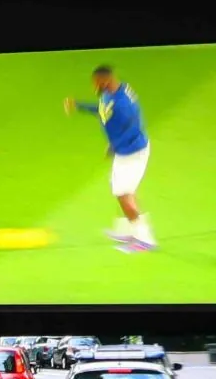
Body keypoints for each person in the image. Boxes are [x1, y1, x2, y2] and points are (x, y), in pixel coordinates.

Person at [65, 64, 155, 250]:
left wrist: (114, 145)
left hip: (133, 152)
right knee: (122, 189)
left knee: (123, 193)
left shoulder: (123, 104)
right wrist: (78, 105)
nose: (94, 87)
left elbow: (132, 130)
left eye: (96, 83)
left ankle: (145, 239)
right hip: (124, 151)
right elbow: (102, 111)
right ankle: (127, 230)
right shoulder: (111, 92)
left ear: (105, 80)